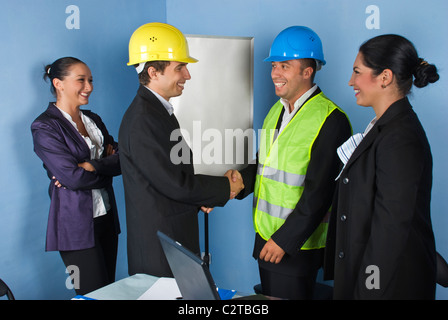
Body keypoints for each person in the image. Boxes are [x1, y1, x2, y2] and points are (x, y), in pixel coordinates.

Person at [229, 26, 352, 299]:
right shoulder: (276, 110)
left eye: (285, 65)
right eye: (274, 65)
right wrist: (234, 184)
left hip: (296, 247)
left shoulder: (332, 120)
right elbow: (265, 165)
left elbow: (319, 193)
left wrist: (284, 241)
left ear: (308, 71)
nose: (275, 73)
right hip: (266, 236)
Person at [119, 22, 244, 277]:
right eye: (180, 67)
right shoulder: (143, 119)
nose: (188, 75)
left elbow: (169, 179)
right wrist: (223, 188)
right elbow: (174, 183)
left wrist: (204, 198)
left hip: (171, 239)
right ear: (153, 72)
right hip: (159, 250)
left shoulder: (157, 112)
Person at [324, 34, 439, 299]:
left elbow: (390, 230)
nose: (351, 81)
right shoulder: (384, 127)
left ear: (385, 77)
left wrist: (368, 290)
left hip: (386, 286)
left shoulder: (400, 137)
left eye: (357, 72)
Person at [31, 57, 121, 295]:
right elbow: (73, 179)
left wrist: (91, 165)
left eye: (90, 80)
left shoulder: (93, 120)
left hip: (106, 218)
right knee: (92, 295)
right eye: (81, 80)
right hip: (75, 226)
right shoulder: (45, 126)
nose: (89, 86)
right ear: (59, 84)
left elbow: (124, 159)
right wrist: (104, 167)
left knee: (109, 292)